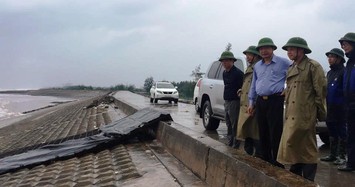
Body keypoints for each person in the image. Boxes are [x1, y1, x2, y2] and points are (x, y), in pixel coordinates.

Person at [277, 37, 327, 181]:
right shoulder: (291, 67)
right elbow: (292, 89)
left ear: (301, 50)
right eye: (288, 50)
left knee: (307, 149)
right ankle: (296, 177)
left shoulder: (313, 66)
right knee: (294, 146)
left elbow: (320, 93)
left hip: (305, 114)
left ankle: (308, 180)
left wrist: (319, 114)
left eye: (292, 49)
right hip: (292, 113)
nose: (289, 52)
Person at [247, 37, 291, 167]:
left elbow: (295, 74)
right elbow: (254, 85)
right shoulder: (257, 66)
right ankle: (266, 159)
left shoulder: (283, 63)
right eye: (261, 48)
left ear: (272, 49)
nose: (264, 51)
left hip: (275, 100)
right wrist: (251, 102)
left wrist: (287, 88)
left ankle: (277, 161)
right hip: (261, 101)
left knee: (275, 131)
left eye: (267, 48)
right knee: (263, 131)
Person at [320, 48, 346, 165]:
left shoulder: (344, 72)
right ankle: (333, 154)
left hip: (341, 108)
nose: (329, 59)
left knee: (342, 131)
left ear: (339, 59)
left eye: (332, 57)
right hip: (330, 107)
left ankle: (341, 155)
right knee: (331, 130)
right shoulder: (330, 73)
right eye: (329, 57)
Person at [237, 46, 261, 156]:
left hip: (252, 104)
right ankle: (249, 153)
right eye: (247, 55)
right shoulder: (250, 67)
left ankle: (258, 156)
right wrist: (242, 90)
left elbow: (257, 86)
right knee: (247, 132)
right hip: (246, 103)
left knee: (254, 132)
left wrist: (253, 103)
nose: (247, 57)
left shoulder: (259, 67)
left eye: (249, 55)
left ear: (256, 55)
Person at [219, 49, 244, 148]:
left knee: (235, 123)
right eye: (223, 61)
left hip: (235, 101)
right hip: (227, 101)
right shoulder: (224, 73)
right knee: (228, 122)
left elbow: (243, 87)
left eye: (227, 61)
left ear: (232, 61)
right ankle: (230, 141)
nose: (225, 63)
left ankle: (236, 144)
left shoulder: (238, 73)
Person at [338, 32, 355, 172]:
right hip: (349, 105)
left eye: (346, 43)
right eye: (342, 44)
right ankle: (351, 164)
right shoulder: (349, 63)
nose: (344, 46)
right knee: (351, 135)